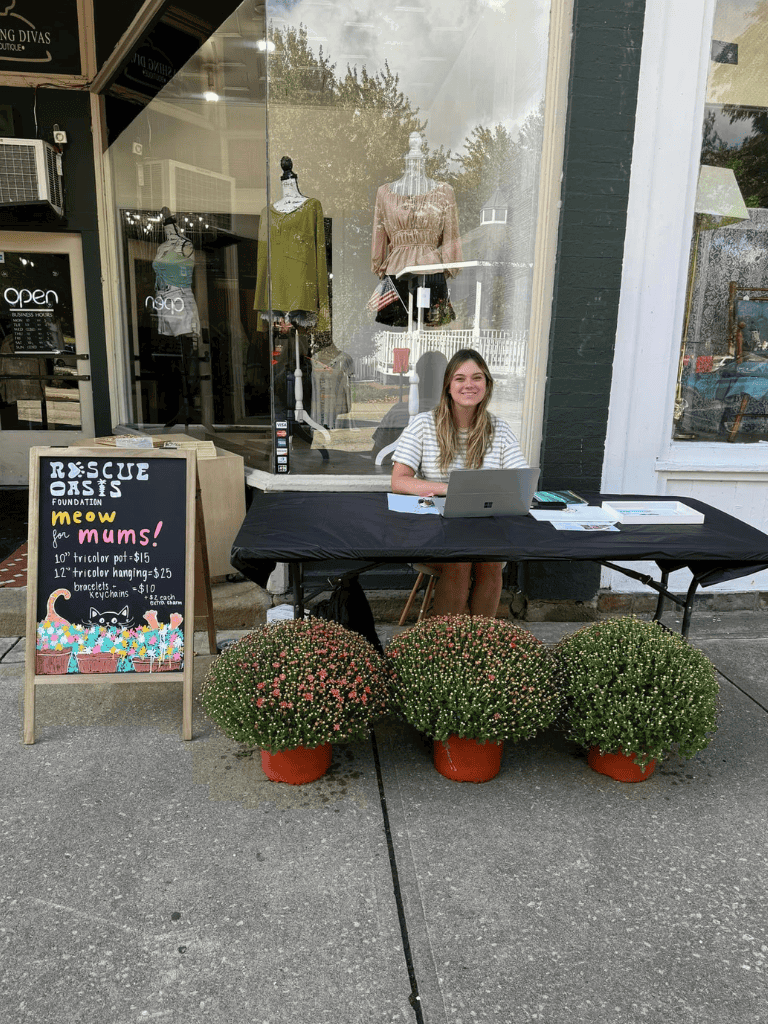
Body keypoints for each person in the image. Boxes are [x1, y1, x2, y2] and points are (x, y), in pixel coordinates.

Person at [391, 348, 527, 618]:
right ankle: (446, 642)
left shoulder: (499, 429)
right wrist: (452, 489)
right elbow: (399, 481)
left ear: (487, 385)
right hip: (432, 527)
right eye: (460, 378)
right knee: (460, 559)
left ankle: (479, 639)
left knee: (489, 559)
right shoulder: (422, 425)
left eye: (477, 378)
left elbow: (520, 480)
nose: (469, 385)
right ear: (448, 386)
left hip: (483, 526)